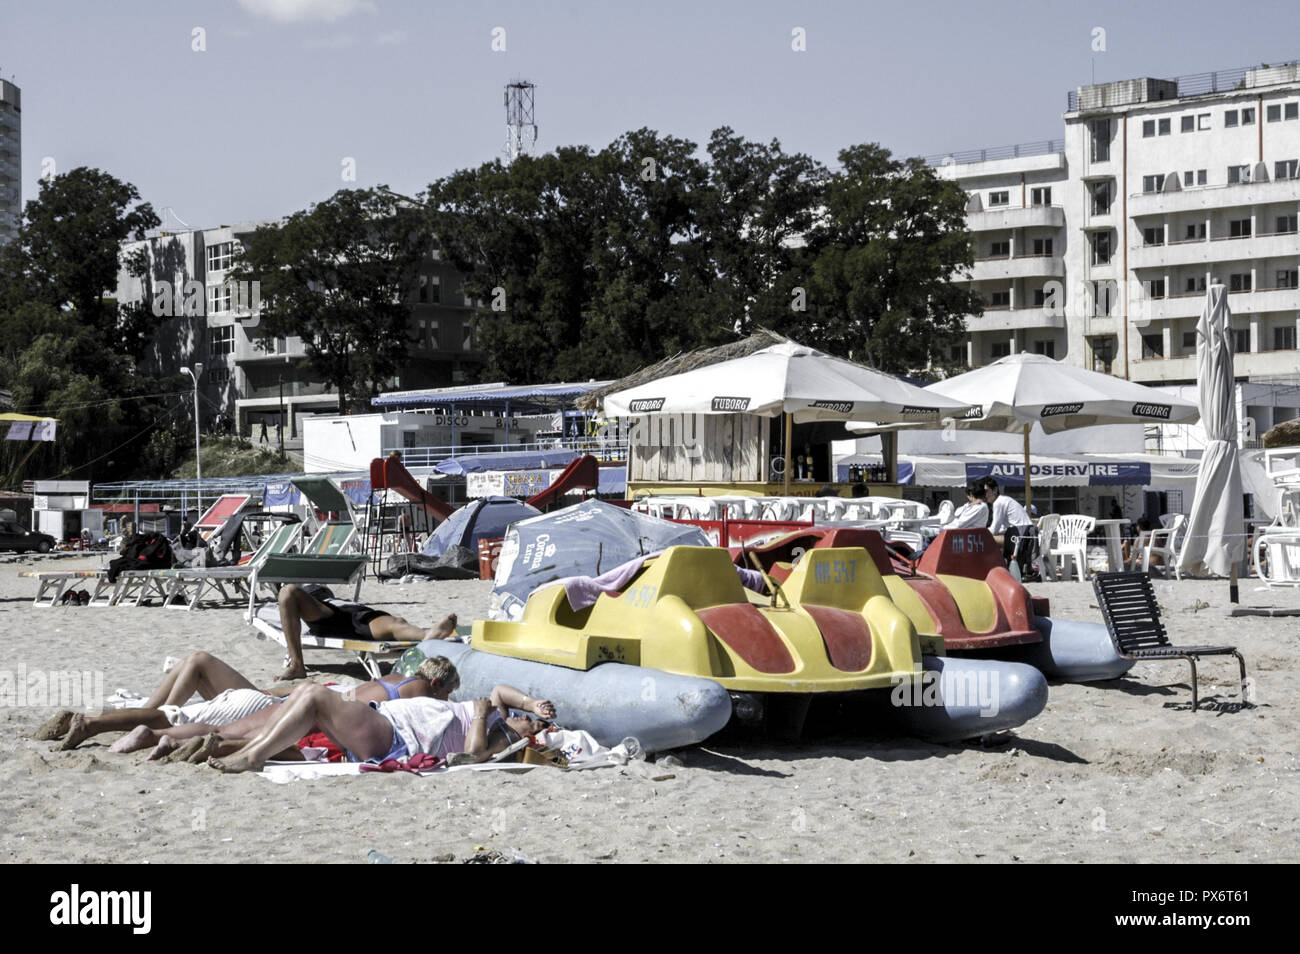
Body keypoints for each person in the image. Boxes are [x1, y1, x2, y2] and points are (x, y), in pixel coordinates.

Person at [36, 650, 460, 753]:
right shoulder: (419, 692)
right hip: (275, 701)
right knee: (199, 721)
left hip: (279, 697)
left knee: (193, 689)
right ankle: (101, 724)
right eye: (448, 691)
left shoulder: (391, 678)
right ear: (439, 685)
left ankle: (117, 723)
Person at [207, 683, 555, 774]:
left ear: (524, 733)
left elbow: (474, 755)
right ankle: (248, 752)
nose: (528, 719)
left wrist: (480, 716)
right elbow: (501, 692)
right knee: (304, 695)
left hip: (397, 735)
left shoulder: (499, 734)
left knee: (314, 696)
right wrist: (530, 702)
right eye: (528, 717)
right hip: (389, 723)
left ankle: (253, 756)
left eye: (531, 723)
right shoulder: (500, 712)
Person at [276, 583, 458, 681]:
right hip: (332, 615)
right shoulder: (318, 600)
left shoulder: (334, 601)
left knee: (396, 623)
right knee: (288, 592)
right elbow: (291, 600)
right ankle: (297, 665)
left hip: (355, 614)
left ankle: (427, 637)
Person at [981, 477, 1035, 570]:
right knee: (989, 538)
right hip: (1026, 534)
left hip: (1020, 536)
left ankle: (993, 567)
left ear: (995, 490)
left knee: (985, 539)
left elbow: (994, 530)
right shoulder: (1005, 499)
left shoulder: (998, 503)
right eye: (982, 492)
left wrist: (979, 532)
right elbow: (1003, 528)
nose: (984, 494)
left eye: (986, 491)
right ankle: (1000, 565)